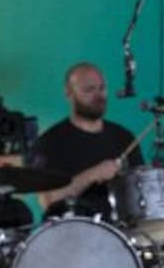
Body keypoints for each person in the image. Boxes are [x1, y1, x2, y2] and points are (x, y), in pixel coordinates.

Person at [29, 62, 144, 218]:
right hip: (77, 230)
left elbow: (141, 193)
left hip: (123, 229)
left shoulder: (123, 137)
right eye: (89, 90)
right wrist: (93, 174)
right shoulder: (50, 142)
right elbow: (48, 201)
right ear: (69, 93)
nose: (98, 96)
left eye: (102, 88)